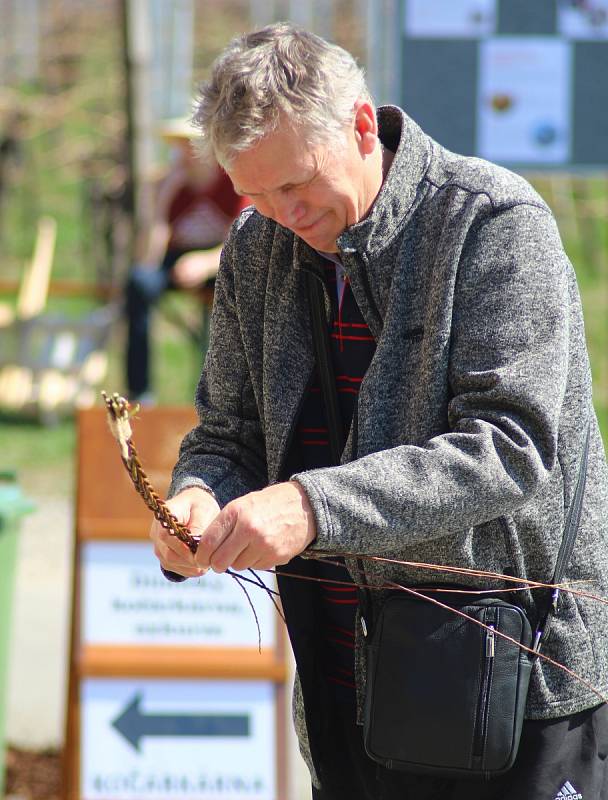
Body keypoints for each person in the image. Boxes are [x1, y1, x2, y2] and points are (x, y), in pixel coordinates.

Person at [149, 23, 608, 800]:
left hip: (514, 675)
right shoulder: (255, 246)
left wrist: (309, 506)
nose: (281, 212)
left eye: (295, 183)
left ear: (364, 125)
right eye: (253, 192)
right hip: (340, 678)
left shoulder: (493, 223)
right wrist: (199, 493)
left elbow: (510, 445)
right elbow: (229, 432)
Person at [124, 117, 248, 402]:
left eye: (190, 146)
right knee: (138, 284)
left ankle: (229, 396)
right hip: (175, 258)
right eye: (180, 147)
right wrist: (158, 206)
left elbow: (242, 241)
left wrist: (203, 262)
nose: (184, 155)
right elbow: (148, 260)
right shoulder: (167, 185)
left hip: (221, 258)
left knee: (241, 288)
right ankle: (141, 391)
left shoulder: (234, 184)